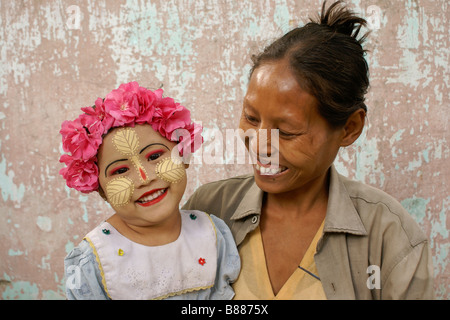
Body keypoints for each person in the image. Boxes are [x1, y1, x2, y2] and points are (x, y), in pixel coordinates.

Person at [183, 1, 434, 299]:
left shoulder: (390, 238)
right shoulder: (210, 210)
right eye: (251, 118)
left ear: (349, 128)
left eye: (287, 132)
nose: (260, 145)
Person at [61, 81, 240, 300]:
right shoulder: (90, 262)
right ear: (99, 189)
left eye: (155, 156)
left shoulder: (213, 234)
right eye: (121, 170)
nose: (144, 178)